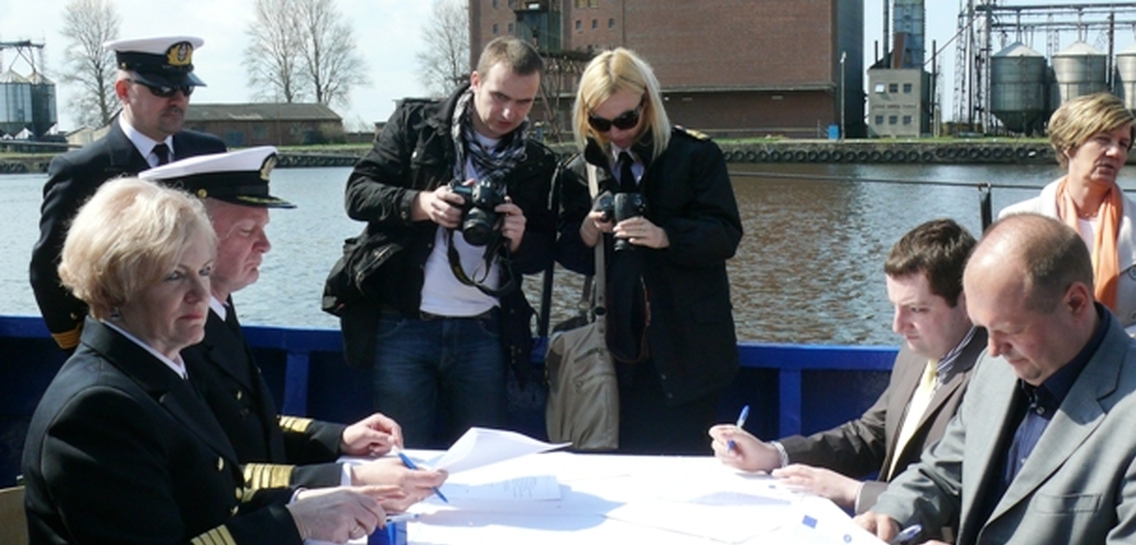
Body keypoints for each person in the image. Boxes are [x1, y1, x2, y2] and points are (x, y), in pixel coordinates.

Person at [21, 178, 401, 545]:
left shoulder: (160, 369)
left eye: (203, 271)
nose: (201, 295)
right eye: (174, 276)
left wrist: (315, 501)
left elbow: (215, 493)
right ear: (116, 286)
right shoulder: (98, 409)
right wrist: (293, 523)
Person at [855, 213, 1136, 545]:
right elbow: (945, 469)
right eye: (984, 329)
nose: (993, 350)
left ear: (1076, 303)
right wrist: (891, 513)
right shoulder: (996, 368)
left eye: (1009, 330)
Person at [141, 147, 447, 497]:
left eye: (263, 228)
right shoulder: (175, 332)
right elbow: (211, 474)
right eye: (246, 230)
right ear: (192, 242)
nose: (265, 245)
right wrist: (350, 479)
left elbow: (252, 425)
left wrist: (338, 438)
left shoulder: (219, 311)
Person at [342, 36, 556, 448]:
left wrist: (519, 240)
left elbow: (542, 254)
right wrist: (420, 204)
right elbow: (357, 193)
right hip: (404, 323)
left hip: (485, 331)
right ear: (475, 81)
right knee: (400, 455)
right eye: (499, 96)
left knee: (483, 459)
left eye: (524, 102)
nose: (509, 113)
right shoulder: (416, 125)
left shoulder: (535, 161)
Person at [710, 219, 985, 513]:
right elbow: (870, 436)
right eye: (894, 307)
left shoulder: (990, 379)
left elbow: (965, 496)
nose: (897, 326)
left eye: (916, 310)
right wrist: (773, 455)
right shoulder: (916, 353)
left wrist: (855, 492)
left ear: (966, 303)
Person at [557, 47, 742, 454]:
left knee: (687, 468)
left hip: (689, 350)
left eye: (626, 119)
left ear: (648, 104)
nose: (616, 133)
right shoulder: (581, 171)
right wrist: (586, 232)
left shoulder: (695, 156)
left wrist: (665, 236)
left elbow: (725, 235)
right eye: (601, 123)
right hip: (619, 354)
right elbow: (569, 255)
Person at [30, 36, 226, 351]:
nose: (178, 99)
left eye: (185, 89)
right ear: (123, 91)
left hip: (206, 344)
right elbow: (48, 270)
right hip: (128, 348)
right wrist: (81, 346)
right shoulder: (82, 170)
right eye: (163, 89)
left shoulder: (209, 155)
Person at [999, 91, 1136, 359]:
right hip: (1044, 369)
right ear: (1069, 145)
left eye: (1123, 144)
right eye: (1103, 139)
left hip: (1126, 370)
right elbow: (1001, 313)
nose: (1115, 152)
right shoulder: (1017, 222)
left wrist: (1102, 352)